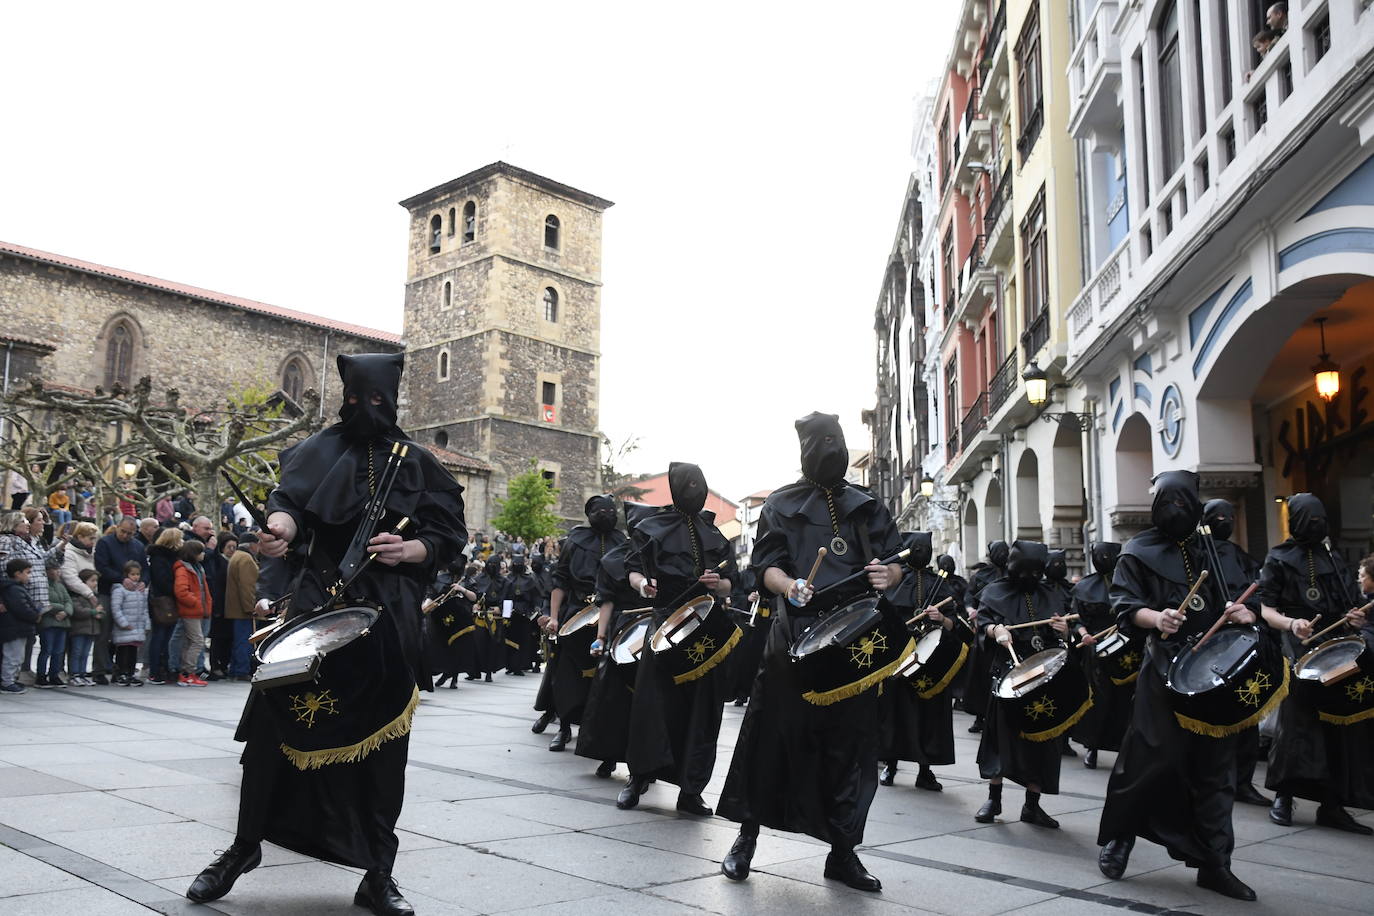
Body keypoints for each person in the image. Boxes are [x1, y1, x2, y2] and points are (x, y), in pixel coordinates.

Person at [185, 352, 464, 916]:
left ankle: (378, 874)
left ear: (393, 400)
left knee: (384, 750)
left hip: (388, 615)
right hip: (315, 607)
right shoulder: (316, 450)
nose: (366, 410)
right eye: (357, 400)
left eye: (377, 401)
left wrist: (410, 549)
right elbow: (287, 504)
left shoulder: (419, 463)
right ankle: (243, 849)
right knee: (272, 737)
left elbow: (446, 537)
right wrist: (279, 530)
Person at [718, 412, 903, 892]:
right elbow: (766, 568)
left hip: (857, 639)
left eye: (836, 440)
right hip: (795, 634)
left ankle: (843, 853)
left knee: (851, 747)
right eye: (821, 442)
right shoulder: (780, 505)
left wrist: (890, 576)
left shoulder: (868, 505)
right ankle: (746, 837)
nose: (831, 449)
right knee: (772, 737)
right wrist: (790, 584)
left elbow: (894, 564)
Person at [1096, 471, 1286, 902]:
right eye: (1167, 503)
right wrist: (1156, 618)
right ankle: (1122, 836)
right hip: (1164, 670)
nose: (1175, 511)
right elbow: (1125, 606)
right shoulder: (1137, 551)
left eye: (1184, 503)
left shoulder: (1223, 554)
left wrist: (1246, 613)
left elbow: (1251, 601)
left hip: (1216, 671)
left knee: (1216, 771)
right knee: (1150, 760)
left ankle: (1215, 863)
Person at [620, 463, 737, 814]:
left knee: (703, 711)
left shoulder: (715, 533)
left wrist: (721, 584)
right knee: (653, 707)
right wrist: (644, 585)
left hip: (706, 629)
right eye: (688, 484)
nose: (695, 489)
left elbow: (734, 583)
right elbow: (633, 570)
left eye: (700, 483)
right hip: (666, 623)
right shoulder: (651, 527)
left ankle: (691, 790)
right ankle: (638, 779)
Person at [1259, 493, 1373, 835]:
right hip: (1299, 647)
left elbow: (1350, 606)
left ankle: (1333, 804)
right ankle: (1284, 795)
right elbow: (1266, 610)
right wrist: (1292, 624)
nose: (1316, 525)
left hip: (1337, 650)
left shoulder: (1333, 557)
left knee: (1338, 726)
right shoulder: (1278, 558)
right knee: (1296, 726)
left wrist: (1353, 618)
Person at [973, 540, 1075, 829]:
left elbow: (1060, 638)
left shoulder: (1050, 594)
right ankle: (994, 798)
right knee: (999, 738)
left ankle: (1033, 805)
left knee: (1044, 741)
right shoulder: (994, 592)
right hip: (1008, 672)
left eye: (1035, 571)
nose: (1029, 577)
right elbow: (982, 624)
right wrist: (996, 630)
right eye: (1024, 570)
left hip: (1044, 675)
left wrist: (1063, 630)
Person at [879, 531, 971, 792]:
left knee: (929, 715)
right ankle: (891, 764)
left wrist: (940, 619)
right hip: (900, 658)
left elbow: (957, 624)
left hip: (933, 661)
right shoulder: (894, 583)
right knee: (896, 713)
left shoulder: (941, 584)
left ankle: (924, 770)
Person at [534, 495, 626, 749]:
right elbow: (560, 581)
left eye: (611, 509)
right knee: (566, 674)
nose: (607, 513)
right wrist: (553, 617)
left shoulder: (623, 542)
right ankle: (563, 728)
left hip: (610, 616)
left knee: (604, 677)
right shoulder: (575, 540)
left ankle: (595, 729)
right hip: (576, 614)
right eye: (601, 510)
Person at [575, 501, 659, 779]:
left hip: (656, 632)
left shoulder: (663, 556)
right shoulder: (614, 558)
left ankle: (645, 764)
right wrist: (600, 638)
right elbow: (607, 602)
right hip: (623, 632)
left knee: (649, 702)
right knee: (612, 697)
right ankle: (608, 755)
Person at [1202, 498, 1269, 807]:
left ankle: (1243, 781)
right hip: (1208, 646)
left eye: (1230, 515)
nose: (1225, 520)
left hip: (1241, 643)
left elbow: (1259, 595)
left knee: (1246, 713)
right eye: (1218, 516)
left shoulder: (1241, 557)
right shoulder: (1194, 554)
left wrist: (1250, 613)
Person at [1069, 542, 1127, 770]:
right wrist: (1084, 635)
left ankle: (1125, 748)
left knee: (1124, 701)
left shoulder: (1127, 583)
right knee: (1097, 700)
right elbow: (1076, 618)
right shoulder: (1084, 586)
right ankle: (1092, 747)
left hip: (1124, 649)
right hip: (1095, 649)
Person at [93, 517, 146, 684]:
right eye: (123, 531)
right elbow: (101, 566)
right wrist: (121, 579)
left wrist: (144, 581)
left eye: (130, 533)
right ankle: (99, 669)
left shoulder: (137, 546)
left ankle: (124, 669)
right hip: (109, 591)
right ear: (117, 527)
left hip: (132, 596)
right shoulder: (105, 543)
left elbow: (145, 568)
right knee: (104, 632)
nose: (125, 535)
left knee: (129, 635)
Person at [964, 540, 1009, 734]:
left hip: (1008, 632)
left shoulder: (1012, 575)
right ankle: (980, 717)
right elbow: (968, 598)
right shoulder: (980, 576)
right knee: (982, 676)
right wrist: (971, 610)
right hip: (985, 634)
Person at [146, 527, 184, 685]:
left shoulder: (168, 557)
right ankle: (155, 670)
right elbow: (162, 581)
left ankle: (164, 667)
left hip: (168, 600)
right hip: (163, 601)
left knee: (166, 637)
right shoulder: (159, 557)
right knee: (160, 636)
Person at [173, 541, 211, 687]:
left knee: (190, 641)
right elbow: (181, 591)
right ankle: (188, 672)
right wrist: (196, 602)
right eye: (201, 551)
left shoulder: (197, 568)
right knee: (197, 641)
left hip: (197, 610)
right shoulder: (184, 569)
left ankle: (187, 673)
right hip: (191, 611)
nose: (203, 554)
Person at [1, 559, 41, 693]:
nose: (29, 576)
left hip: (19, 628)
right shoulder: (13, 589)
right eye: (27, 573)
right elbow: (21, 608)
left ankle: (11, 679)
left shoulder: (17, 588)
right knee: (13, 656)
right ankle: (7, 682)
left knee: (18, 656)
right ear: (17, 574)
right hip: (14, 628)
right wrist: (35, 615)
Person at [224, 532, 260, 682]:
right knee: (244, 641)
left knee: (239, 640)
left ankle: (235, 669)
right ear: (252, 545)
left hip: (236, 608)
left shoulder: (237, 556)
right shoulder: (245, 559)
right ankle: (241, 670)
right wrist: (251, 607)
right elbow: (247, 587)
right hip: (243, 609)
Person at [36, 557, 72, 688]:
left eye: (58, 569)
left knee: (58, 651)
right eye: (54, 569)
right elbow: (44, 602)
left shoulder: (60, 586)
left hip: (62, 623)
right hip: (48, 622)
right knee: (47, 650)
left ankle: (54, 674)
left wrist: (66, 612)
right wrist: (60, 608)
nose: (57, 572)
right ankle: (41, 675)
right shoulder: (43, 585)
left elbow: (69, 601)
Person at [110, 560, 148, 686]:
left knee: (133, 651)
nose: (136, 577)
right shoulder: (120, 590)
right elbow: (116, 608)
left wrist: (144, 623)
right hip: (125, 627)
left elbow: (144, 608)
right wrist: (123, 623)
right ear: (126, 575)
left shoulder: (140, 591)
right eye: (132, 574)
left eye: (138, 574)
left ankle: (130, 673)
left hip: (136, 627)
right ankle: (120, 673)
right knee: (122, 651)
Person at [68, 568, 103, 686]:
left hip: (91, 629)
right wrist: (93, 612)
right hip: (79, 629)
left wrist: (100, 614)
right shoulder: (77, 596)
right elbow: (78, 611)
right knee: (76, 652)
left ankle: (82, 674)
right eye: (92, 581)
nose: (95, 583)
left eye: (96, 581)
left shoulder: (94, 597)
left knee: (85, 653)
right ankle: (74, 674)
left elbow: (101, 610)